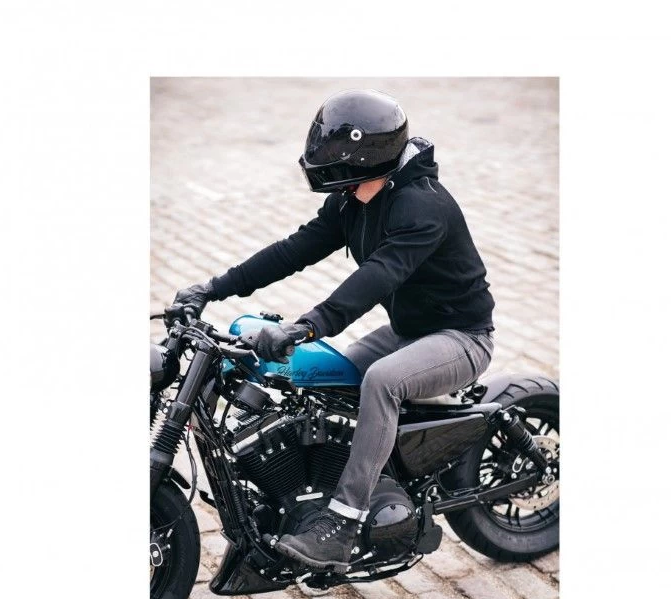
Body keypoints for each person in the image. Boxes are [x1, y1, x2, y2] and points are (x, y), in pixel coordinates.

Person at [169, 88, 495, 571]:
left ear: (371, 161)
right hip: (408, 330)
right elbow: (293, 250)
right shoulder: (354, 200)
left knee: (382, 381)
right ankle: (315, 489)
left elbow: (378, 276)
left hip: (462, 337)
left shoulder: (422, 207)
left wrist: (308, 326)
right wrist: (213, 288)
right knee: (321, 377)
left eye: (341, 166)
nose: (334, 178)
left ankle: (342, 523)